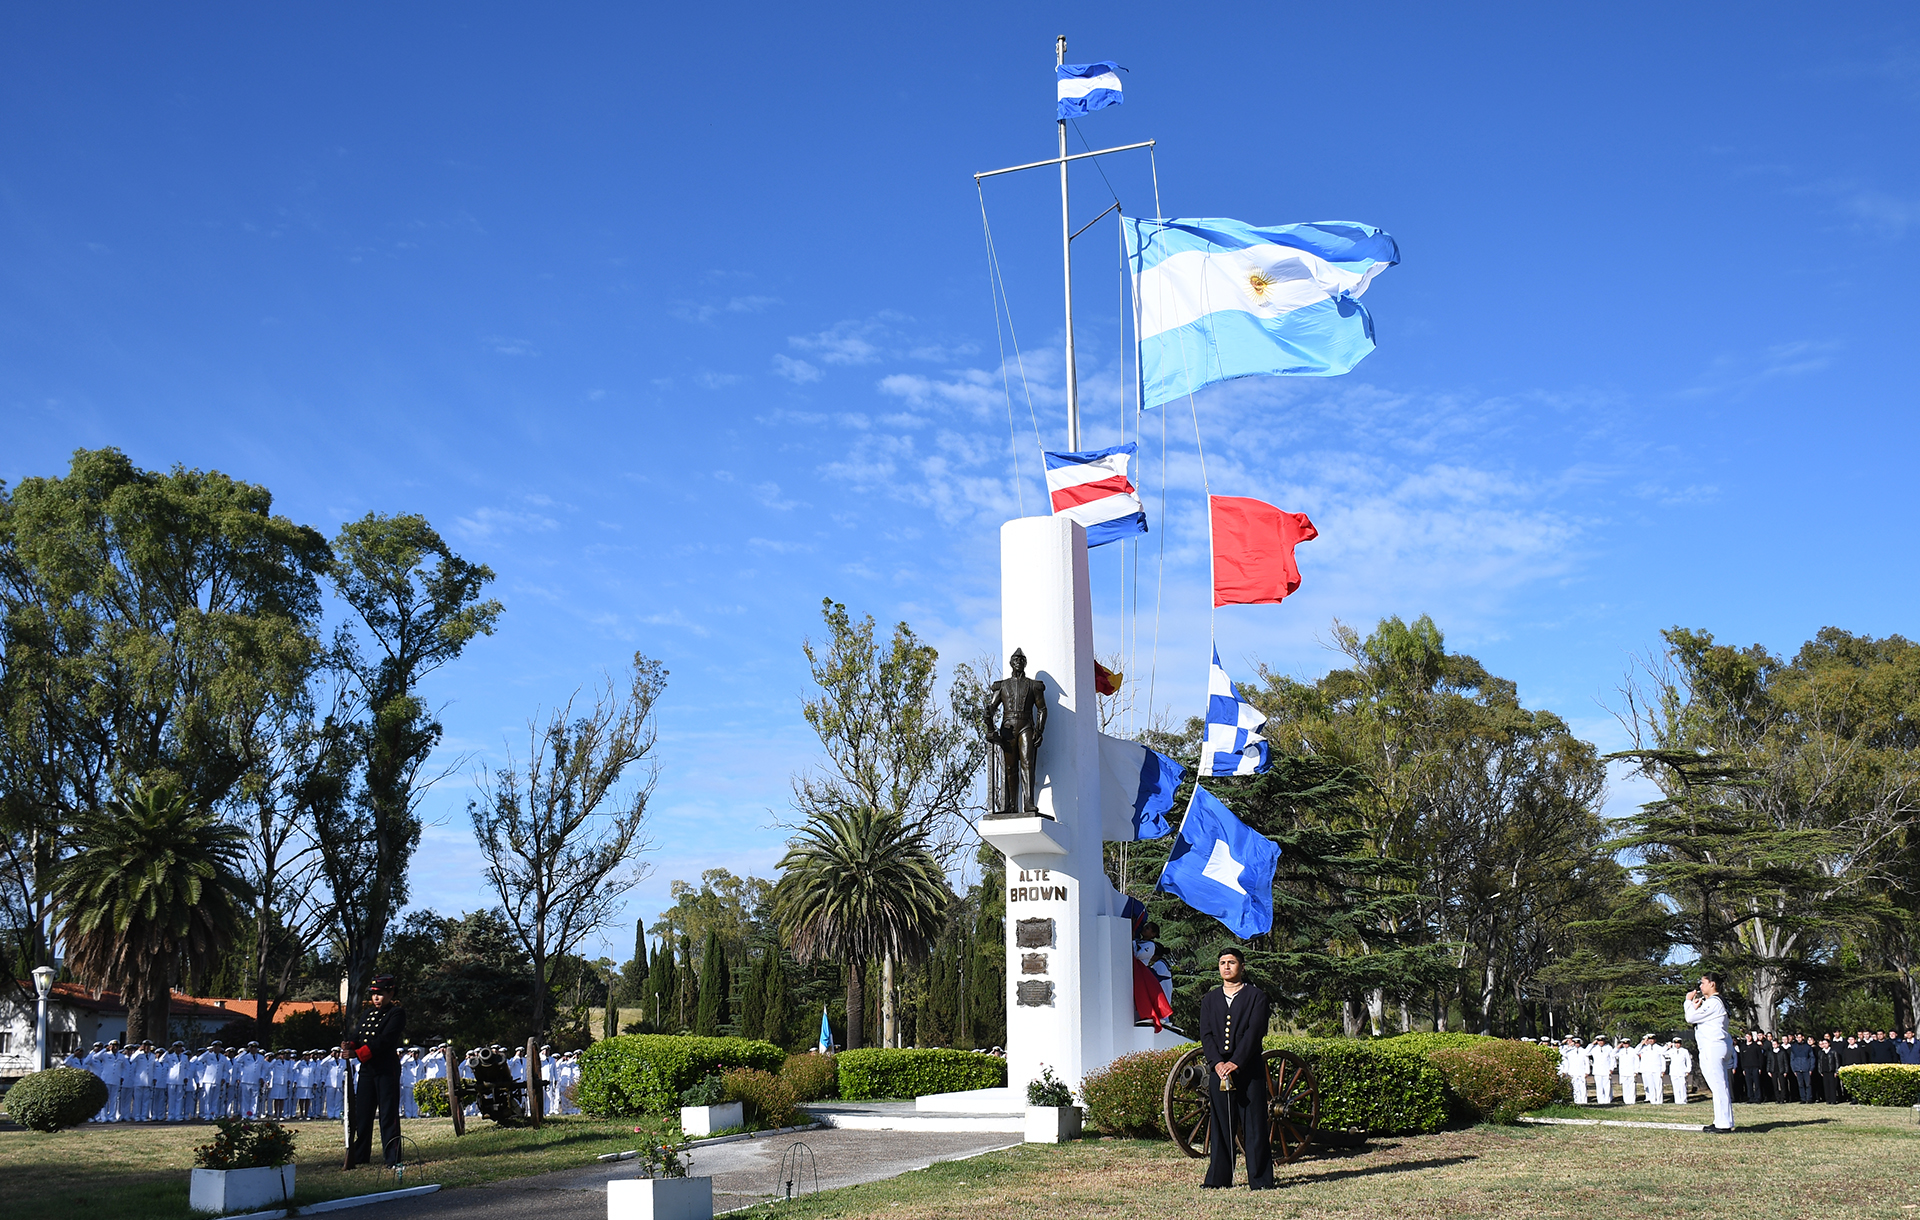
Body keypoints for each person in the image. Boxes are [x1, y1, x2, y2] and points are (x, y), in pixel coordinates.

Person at [1197, 947, 1273, 1190]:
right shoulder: (1209, 1000)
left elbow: (1255, 1032)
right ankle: (1218, 1180)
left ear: (1242, 966)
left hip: (1248, 1069)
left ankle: (1260, 1180)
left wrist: (1236, 1062)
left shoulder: (1256, 996)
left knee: (1254, 1126)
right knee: (1220, 1126)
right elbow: (1206, 1034)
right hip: (1219, 1071)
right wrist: (1218, 1063)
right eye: (1222, 962)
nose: (1226, 966)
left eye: (1231, 962)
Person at [343, 974, 408, 1167]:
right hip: (367, 1070)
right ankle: (361, 1154)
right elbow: (359, 1035)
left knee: (388, 1115)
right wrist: (349, 1044)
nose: (376, 998)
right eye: (373, 995)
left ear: (390, 993)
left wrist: (357, 1053)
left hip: (386, 1068)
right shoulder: (367, 1014)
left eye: (380, 994)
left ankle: (392, 1157)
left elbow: (384, 1041)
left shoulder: (396, 1013)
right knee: (362, 1114)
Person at [1684, 973, 1736, 1133]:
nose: (1700, 986)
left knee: (1719, 1086)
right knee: (1719, 1085)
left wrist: (1688, 1002)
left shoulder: (1714, 1002)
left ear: (1712, 984)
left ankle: (1724, 1123)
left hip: (1713, 1046)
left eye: (1703, 983)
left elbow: (1690, 1017)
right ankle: (1720, 1120)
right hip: (1717, 1045)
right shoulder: (1715, 1002)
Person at [1638, 1035, 1667, 1104]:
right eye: (1649, 1039)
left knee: (1658, 1085)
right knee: (1650, 1086)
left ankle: (1659, 1100)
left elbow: (1662, 1058)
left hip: (1657, 1069)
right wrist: (1641, 1043)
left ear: (1655, 1040)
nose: (1650, 1041)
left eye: (1652, 1039)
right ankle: (1652, 1100)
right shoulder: (1644, 1048)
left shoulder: (1659, 1048)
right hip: (1648, 1069)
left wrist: (1663, 1070)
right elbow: (1636, 1051)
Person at [1589, 1036, 1616, 1105]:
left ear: (1604, 1041)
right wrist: (1592, 1044)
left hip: (1606, 1070)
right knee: (1599, 1087)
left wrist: (1611, 1068)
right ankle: (1600, 1101)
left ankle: (1607, 1100)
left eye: (1602, 1041)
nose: (1600, 1042)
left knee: (1607, 1087)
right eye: (1598, 1041)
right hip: (1597, 1071)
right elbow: (1586, 1053)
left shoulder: (1608, 1048)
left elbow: (1612, 1058)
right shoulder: (1594, 1048)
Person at [1666, 1037, 1692, 1104]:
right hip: (1673, 1071)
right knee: (1675, 1087)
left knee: (1682, 1086)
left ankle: (1683, 1100)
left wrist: (1688, 1070)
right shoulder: (1671, 1051)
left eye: (1678, 1043)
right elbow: (1662, 1053)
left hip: (1682, 1071)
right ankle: (1677, 1100)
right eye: (1676, 1043)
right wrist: (1667, 1046)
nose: (1677, 1045)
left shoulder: (1684, 1051)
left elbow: (1688, 1061)